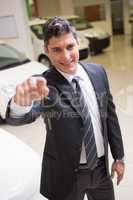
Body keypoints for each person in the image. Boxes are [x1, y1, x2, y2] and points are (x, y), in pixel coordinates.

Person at [6, 16, 125, 200]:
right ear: (46, 50)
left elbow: (110, 118)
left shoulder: (98, 72)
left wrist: (119, 157)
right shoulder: (44, 84)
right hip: (66, 176)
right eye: (56, 50)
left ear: (77, 42)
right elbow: (21, 117)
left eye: (70, 46)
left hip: (101, 171)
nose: (66, 56)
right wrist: (20, 104)